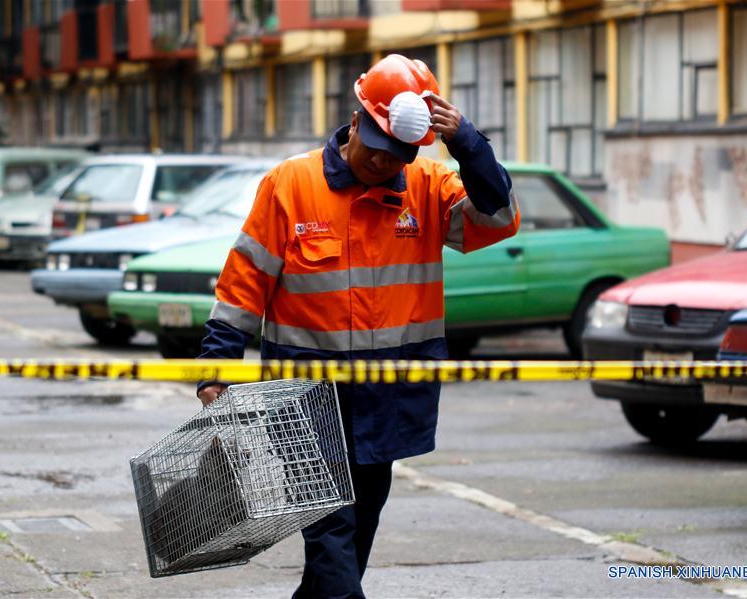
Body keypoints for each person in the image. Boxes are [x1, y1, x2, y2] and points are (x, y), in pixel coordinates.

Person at [196, 54, 519, 598]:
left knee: (354, 533)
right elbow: (245, 279)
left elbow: (499, 219)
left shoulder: (428, 185)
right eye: (376, 147)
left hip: (389, 395)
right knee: (332, 534)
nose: (383, 162)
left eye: (397, 154)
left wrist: (467, 142)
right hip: (306, 398)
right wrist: (217, 365)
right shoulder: (291, 183)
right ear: (355, 121)